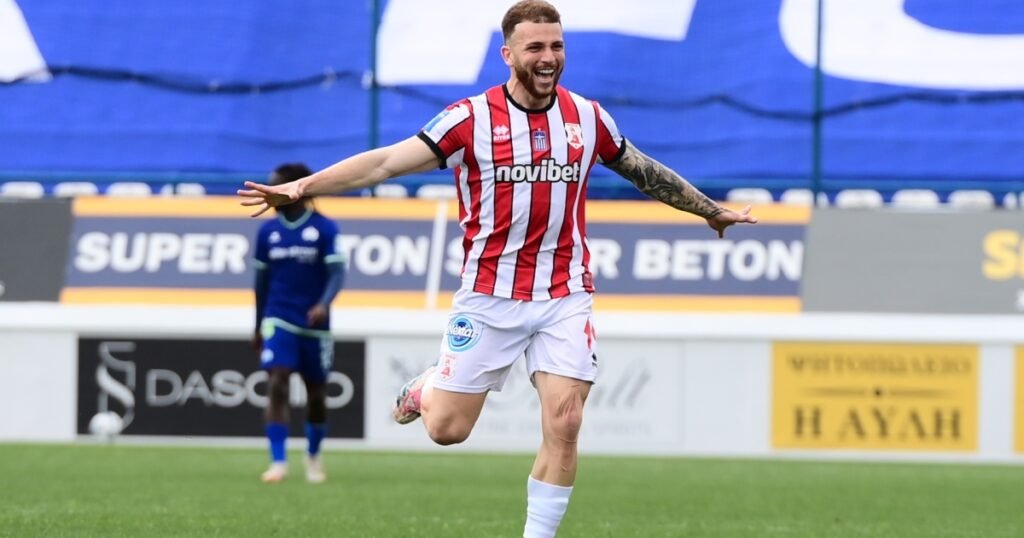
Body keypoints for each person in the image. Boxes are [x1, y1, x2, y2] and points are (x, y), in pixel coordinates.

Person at [239, 0, 756, 533]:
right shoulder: (469, 119)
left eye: (556, 45)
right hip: (489, 296)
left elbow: (642, 170)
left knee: (566, 421)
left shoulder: (588, 117)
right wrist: (302, 187)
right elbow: (386, 162)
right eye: (535, 47)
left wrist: (708, 210)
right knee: (447, 429)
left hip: (564, 293)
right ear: (508, 54)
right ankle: (427, 389)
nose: (548, 57)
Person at [251, 163, 346, 484]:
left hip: (314, 323)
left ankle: (313, 457)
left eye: (275, 187)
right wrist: (257, 325)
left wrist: (323, 304)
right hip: (278, 318)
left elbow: (337, 274)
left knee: (316, 393)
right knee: (277, 382)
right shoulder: (267, 232)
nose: (269, 193)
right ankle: (278, 462)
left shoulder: (324, 228)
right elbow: (260, 283)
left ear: (294, 189)